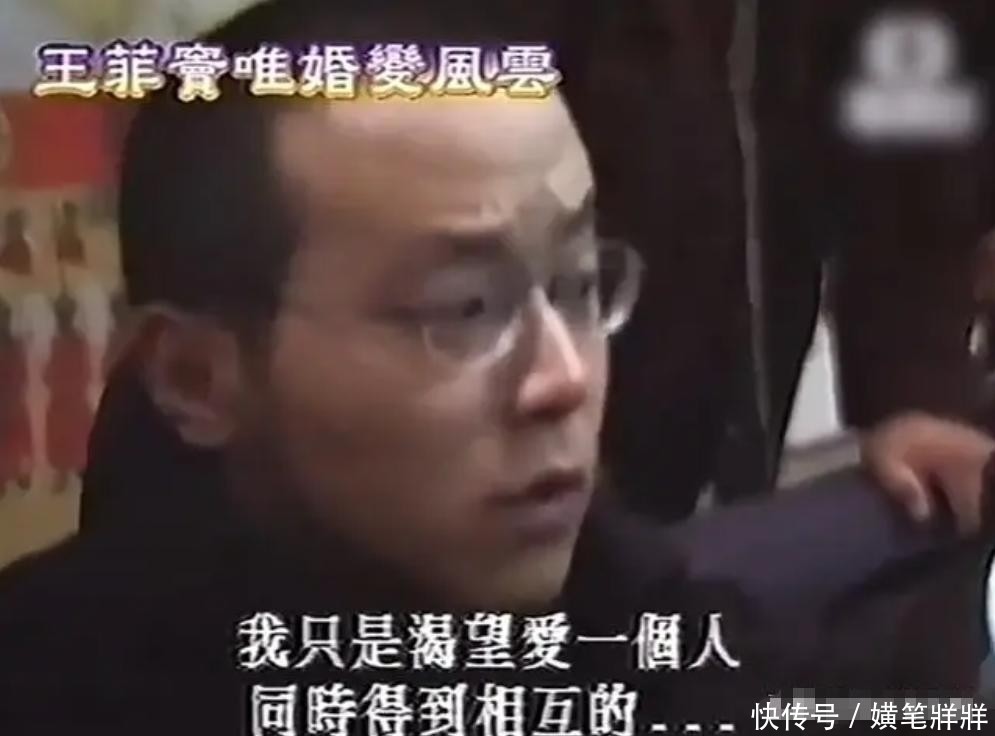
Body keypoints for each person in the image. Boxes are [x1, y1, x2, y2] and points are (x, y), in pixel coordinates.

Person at [0, 2, 993, 734]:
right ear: (195, 378)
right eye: (462, 309)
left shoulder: (624, 613)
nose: (564, 379)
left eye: (578, 283)